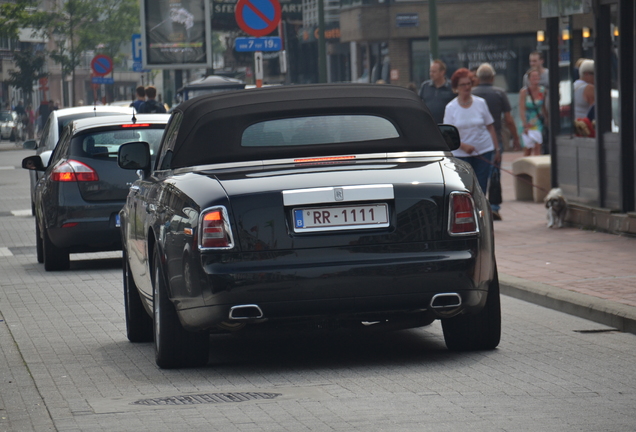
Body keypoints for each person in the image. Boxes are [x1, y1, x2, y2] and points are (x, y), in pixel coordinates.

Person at [472, 63, 521, 220]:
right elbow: (508, 119)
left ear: (478, 78)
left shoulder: (472, 94)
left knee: (477, 174)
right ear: (492, 77)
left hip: (476, 141)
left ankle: (477, 206)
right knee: (494, 174)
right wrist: (515, 137)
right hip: (495, 140)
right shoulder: (499, 93)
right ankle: (493, 206)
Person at [443, 68, 500, 195]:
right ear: (456, 87)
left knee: (481, 186)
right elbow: (448, 134)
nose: (466, 87)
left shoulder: (481, 103)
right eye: (463, 84)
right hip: (461, 154)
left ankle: (481, 213)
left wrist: (497, 149)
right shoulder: (451, 108)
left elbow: (490, 127)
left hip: (483, 150)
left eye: (469, 83)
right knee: (465, 188)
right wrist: (464, 146)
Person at [519, 68, 548, 156]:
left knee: (537, 147)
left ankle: (537, 168)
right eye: (533, 76)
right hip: (527, 122)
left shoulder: (543, 91)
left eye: (537, 76)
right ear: (529, 79)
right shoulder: (524, 92)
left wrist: (546, 119)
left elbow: (543, 107)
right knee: (528, 149)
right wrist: (525, 125)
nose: (535, 78)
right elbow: (522, 109)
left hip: (538, 122)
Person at [419, 59, 455, 124]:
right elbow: (419, 103)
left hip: (446, 125)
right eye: (430, 71)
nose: (431, 74)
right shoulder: (425, 86)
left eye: (434, 72)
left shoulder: (451, 87)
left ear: (442, 72)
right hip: (429, 124)